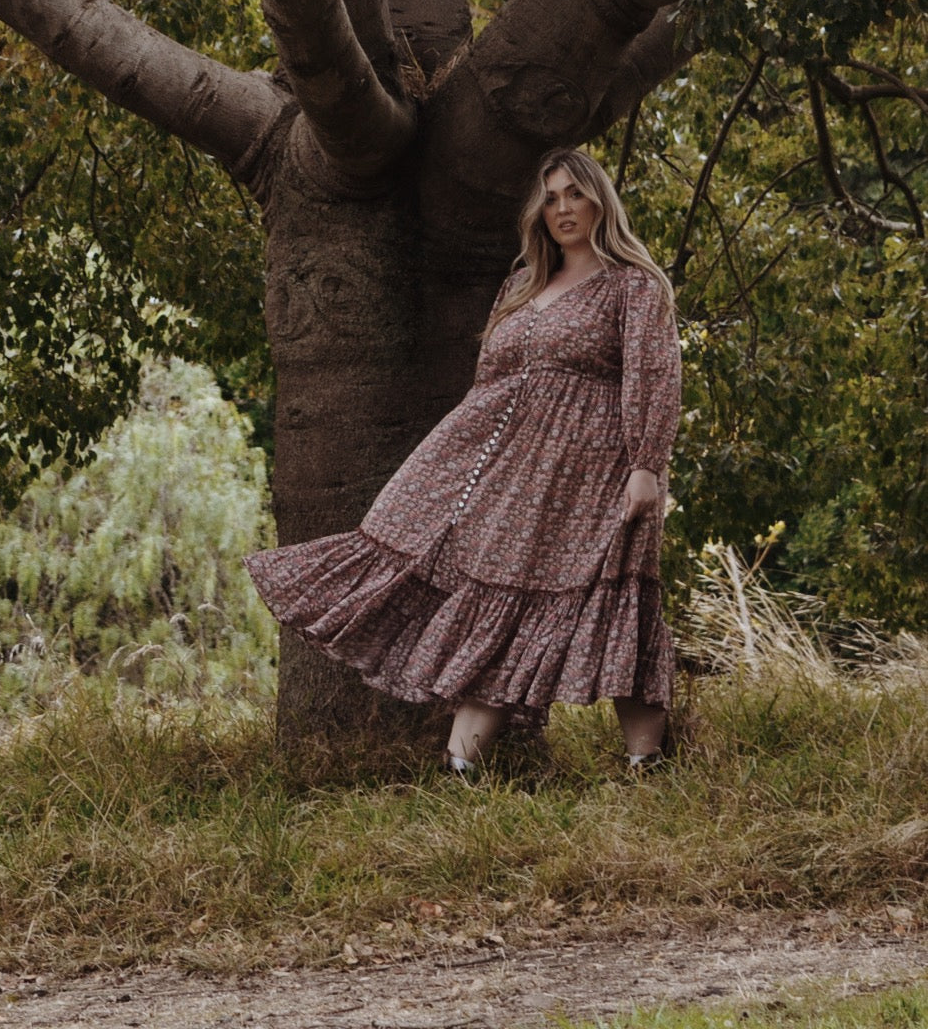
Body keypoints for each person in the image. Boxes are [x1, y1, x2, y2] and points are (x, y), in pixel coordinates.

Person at [245, 147, 682, 774]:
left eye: (575, 195)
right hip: (515, 478)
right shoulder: (521, 284)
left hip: (596, 475)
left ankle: (648, 770)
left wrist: (647, 462)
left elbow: (654, 376)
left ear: (599, 202)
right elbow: (490, 386)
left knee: (620, 602)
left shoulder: (633, 286)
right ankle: (462, 769)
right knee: (494, 600)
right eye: (552, 197)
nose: (563, 208)